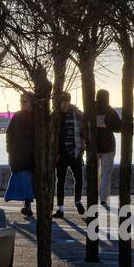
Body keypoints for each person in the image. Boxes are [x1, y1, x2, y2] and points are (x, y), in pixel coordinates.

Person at [54, 91, 86, 219]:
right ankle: (60, 209)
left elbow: (83, 131)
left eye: (66, 102)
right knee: (60, 181)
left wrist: (83, 147)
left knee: (79, 178)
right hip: (61, 153)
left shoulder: (77, 114)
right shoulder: (56, 115)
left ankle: (77, 201)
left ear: (69, 101)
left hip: (75, 151)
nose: (64, 105)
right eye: (62, 102)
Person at [4, 92, 36, 218]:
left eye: (25, 101)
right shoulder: (16, 116)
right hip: (19, 155)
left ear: (31, 102)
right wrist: (9, 149)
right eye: (21, 101)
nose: (22, 104)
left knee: (27, 180)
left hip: (32, 155)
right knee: (24, 178)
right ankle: (27, 205)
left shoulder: (37, 117)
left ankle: (27, 205)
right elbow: (9, 133)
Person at [92, 89, 121, 207]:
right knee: (105, 174)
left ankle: (92, 196)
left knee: (93, 173)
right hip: (108, 145)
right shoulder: (110, 111)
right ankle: (103, 199)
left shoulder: (91, 109)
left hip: (94, 146)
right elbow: (118, 128)